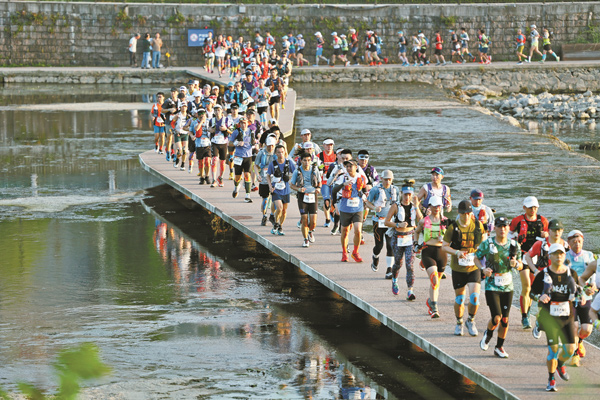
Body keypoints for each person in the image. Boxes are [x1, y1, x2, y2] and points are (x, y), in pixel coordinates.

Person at [530, 243, 581, 392]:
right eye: (555, 254)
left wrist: (582, 296)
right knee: (553, 349)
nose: (559, 256)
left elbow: (577, 291)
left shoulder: (571, 273)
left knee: (570, 350)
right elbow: (531, 294)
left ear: (564, 255)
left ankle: (560, 364)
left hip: (566, 316)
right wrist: (540, 297)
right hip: (550, 317)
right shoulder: (543, 275)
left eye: (561, 254)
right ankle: (551, 379)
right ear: (550, 256)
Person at [476, 216, 523, 358]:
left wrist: (517, 264)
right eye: (499, 226)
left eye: (505, 226)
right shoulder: (487, 244)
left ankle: (499, 347)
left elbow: (521, 264)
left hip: (508, 286)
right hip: (492, 286)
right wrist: (483, 269)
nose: (502, 229)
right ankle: (488, 334)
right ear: (495, 228)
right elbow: (476, 258)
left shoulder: (514, 245)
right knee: (496, 317)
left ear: (508, 228)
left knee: (505, 320)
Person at [442, 200, 485, 336]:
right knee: (460, 299)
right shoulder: (452, 228)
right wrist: (457, 252)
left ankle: (471, 320)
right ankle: (459, 322)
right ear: (458, 213)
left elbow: (484, 242)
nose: (466, 216)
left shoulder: (478, 226)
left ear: (471, 213)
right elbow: (444, 246)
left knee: (475, 298)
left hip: (473, 267)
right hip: (458, 269)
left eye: (468, 213)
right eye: (463, 214)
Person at [510, 195, 549, 329]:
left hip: (538, 257)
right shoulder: (517, 220)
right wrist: (515, 239)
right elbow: (509, 234)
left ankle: (530, 311)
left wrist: (546, 235)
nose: (533, 210)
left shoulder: (543, 221)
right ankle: (525, 316)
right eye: (530, 207)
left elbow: (550, 238)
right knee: (526, 286)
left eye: (535, 207)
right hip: (523, 255)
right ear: (524, 207)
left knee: (533, 288)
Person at [385, 180, 422, 299]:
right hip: (398, 238)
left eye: (409, 195)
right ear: (401, 194)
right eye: (405, 195)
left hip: (410, 237)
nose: (407, 197)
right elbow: (386, 222)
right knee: (398, 263)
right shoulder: (396, 206)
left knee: (409, 264)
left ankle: (410, 290)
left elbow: (421, 221)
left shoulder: (414, 206)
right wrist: (397, 225)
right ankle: (394, 279)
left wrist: (417, 207)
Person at [565, 230, 597, 366]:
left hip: (585, 297)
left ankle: (580, 341)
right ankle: (575, 355)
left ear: (583, 241)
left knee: (587, 329)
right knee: (574, 326)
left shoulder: (589, 256)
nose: (577, 244)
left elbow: (594, 276)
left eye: (579, 241)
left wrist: (593, 287)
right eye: (574, 241)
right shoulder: (564, 257)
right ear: (569, 243)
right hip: (570, 298)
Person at [415, 196, 449, 318]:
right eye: (434, 206)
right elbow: (416, 231)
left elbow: (453, 237)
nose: (436, 208)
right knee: (434, 279)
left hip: (442, 253)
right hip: (428, 252)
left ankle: (430, 301)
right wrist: (416, 244)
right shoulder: (424, 221)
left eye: (438, 206)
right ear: (430, 206)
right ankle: (434, 308)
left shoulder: (446, 221)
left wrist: (446, 240)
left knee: (436, 282)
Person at [365, 170, 398, 278]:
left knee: (390, 245)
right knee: (379, 245)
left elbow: (399, 204)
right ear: (381, 179)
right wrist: (374, 208)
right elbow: (367, 203)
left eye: (389, 179)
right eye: (385, 179)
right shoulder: (375, 190)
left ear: (392, 180)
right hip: (378, 221)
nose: (387, 182)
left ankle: (389, 270)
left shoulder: (395, 190)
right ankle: (375, 256)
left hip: (390, 222)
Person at [334, 159, 367, 262]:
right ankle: (344, 252)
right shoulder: (342, 177)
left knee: (358, 230)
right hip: (345, 209)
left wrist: (365, 196)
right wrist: (343, 184)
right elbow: (334, 190)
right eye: (347, 166)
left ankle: (355, 252)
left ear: (356, 167)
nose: (348, 168)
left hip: (358, 208)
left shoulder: (361, 177)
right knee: (345, 231)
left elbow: (365, 189)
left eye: (350, 166)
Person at [290, 152, 321, 247]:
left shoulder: (315, 170)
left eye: (308, 160)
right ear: (301, 161)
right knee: (304, 219)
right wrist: (299, 189)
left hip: (313, 196)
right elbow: (292, 185)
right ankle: (305, 239)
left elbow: (319, 182)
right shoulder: (297, 171)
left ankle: (310, 231)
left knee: (313, 222)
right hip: (302, 197)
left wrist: (318, 188)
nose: (307, 162)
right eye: (304, 160)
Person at [229, 116, 255, 203]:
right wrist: (236, 143)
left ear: (247, 123)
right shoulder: (236, 132)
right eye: (242, 123)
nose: (243, 125)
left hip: (248, 156)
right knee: (237, 177)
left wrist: (255, 144)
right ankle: (236, 187)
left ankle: (247, 196)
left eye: (245, 123)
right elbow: (230, 143)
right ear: (239, 124)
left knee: (247, 175)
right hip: (238, 156)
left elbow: (255, 141)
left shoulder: (251, 131)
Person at [208, 105, 233, 187]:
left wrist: (226, 129)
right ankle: (214, 180)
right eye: (215, 110)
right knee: (214, 160)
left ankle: (220, 177)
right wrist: (210, 130)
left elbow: (232, 130)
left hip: (223, 142)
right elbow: (208, 129)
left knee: (222, 162)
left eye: (218, 110)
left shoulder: (227, 120)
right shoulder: (212, 120)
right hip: (214, 142)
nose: (217, 112)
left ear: (222, 111)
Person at [255, 137, 276, 226]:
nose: (270, 148)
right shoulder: (261, 153)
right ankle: (264, 215)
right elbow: (256, 165)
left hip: (274, 180)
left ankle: (272, 215)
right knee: (265, 199)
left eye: (272, 146)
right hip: (264, 180)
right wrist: (257, 175)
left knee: (275, 200)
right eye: (269, 146)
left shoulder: (276, 153)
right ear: (266, 144)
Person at [318, 138, 336, 228]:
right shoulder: (320, 156)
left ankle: (332, 211)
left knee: (334, 201)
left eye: (331, 145)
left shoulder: (336, 155)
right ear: (323, 145)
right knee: (326, 201)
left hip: (334, 181)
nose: (329, 147)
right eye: (327, 145)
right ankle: (327, 219)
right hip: (324, 181)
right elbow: (316, 167)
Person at [193, 109, 211, 185]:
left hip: (207, 144)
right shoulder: (195, 122)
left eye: (203, 113)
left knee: (207, 161)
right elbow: (196, 128)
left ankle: (207, 176)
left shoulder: (209, 121)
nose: (201, 115)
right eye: (200, 114)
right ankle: (201, 177)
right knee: (200, 162)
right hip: (199, 144)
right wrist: (201, 122)